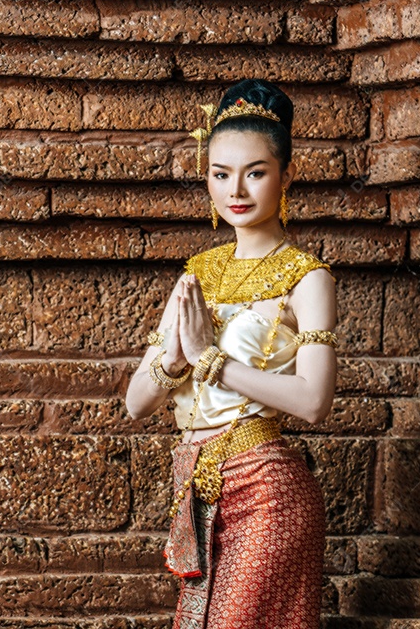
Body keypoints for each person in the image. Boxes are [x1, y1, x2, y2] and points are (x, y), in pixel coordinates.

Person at [125, 79, 338, 628]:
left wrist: (210, 358)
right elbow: (136, 403)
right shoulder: (199, 272)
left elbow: (314, 401)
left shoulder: (307, 278)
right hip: (197, 489)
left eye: (255, 173)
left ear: (287, 176)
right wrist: (175, 361)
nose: (235, 190)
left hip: (267, 490)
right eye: (220, 174)